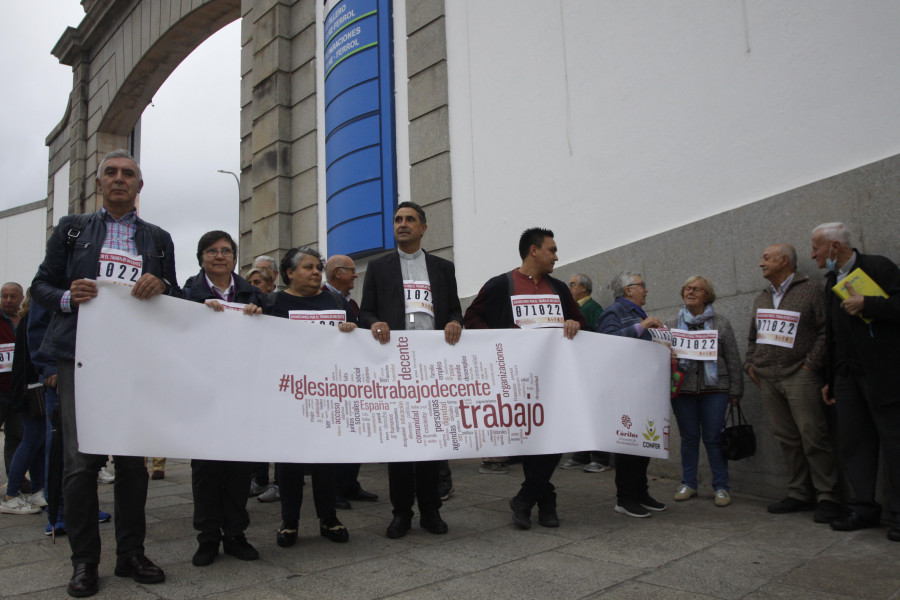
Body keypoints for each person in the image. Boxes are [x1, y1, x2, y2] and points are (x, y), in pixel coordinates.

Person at [32, 149, 180, 597]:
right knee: (80, 464)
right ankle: (85, 561)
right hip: (80, 356)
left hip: (133, 359)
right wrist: (66, 296)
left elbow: (171, 293)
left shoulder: (157, 237)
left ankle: (131, 553)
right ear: (100, 183)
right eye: (111, 173)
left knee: (132, 460)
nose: (119, 179)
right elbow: (41, 285)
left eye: (128, 174)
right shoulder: (72, 229)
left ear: (139, 186)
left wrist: (163, 286)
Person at [464, 227, 586, 529]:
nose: (556, 256)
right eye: (552, 250)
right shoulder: (500, 285)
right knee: (532, 438)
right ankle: (544, 501)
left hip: (555, 377)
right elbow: (472, 318)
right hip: (518, 379)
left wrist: (573, 322)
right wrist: (498, 339)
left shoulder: (558, 289)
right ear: (533, 250)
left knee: (556, 436)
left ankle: (528, 498)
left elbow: (581, 322)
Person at [359, 201, 463, 539]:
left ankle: (432, 511)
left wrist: (454, 323)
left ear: (423, 228)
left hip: (433, 366)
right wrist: (375, 323)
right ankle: (401, 512)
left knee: (431, 440)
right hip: (396, 366)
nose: (402, 224)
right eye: (398, 220)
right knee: (401, 441)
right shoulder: (378, 267)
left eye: (410, 220)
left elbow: (456, 313)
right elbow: (366, 312)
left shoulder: (443, 268)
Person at [811, 222, 900, 540]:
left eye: (817, 248)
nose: (814, 255)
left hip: (883, 373)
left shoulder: (878, 267)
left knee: (894, 441)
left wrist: (869, 304)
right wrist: (831, 379)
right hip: (847, 376)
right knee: (854, 442)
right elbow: (834, 334)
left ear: (835, 247)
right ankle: (863, 507)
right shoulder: (832, 280)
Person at [183, 231, 266, 566]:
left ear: (235, 257)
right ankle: (207, 538)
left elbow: (271, 337)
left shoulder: (253, 293)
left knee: (237, 470)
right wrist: (194, 312)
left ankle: (235, 534)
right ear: (201, 257)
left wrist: (260, 316)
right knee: (205, 470)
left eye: (226, 251)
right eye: (212, 251)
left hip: (241, 392)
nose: (219, 256)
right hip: (202, 393)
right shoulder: (186, 293)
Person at [264, 246, 354, 547]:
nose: (316, 272)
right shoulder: (274, 302)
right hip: (289, 396)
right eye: (308, 267)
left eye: (318, 267)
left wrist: (351, 328)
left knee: (325, 461)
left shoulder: (335, 300)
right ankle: (289, 521)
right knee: (289, 463)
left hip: (327, 394)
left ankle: (328, 518)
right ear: (290, 273)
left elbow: (358, 334)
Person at [745, 244, 840, 522]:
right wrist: (750, 364)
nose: (761, 263)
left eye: (766, 258)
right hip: (767, 377)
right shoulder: (762, 297)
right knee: (786, 438)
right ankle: (799, 492)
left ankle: (828, 495)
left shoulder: (812, 289)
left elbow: (826, 330)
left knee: (813, 435)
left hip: (800, 374)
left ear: (784, 260)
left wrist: (811, 365)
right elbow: (754, 335)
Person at [666, 276, 742, 507]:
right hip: (683, 390)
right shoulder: (671, 323)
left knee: (713, 438)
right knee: (689, 438)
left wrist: (736, 389)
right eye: (687, 288)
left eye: (696, 289)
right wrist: (668, 355)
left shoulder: (721, 323)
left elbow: (733, 358)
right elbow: (660, 357)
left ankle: (721, 487)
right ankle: (689, 483)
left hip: (715, 389)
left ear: (707, 295)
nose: (691, 292)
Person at [596, 272, 668, 518]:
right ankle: (625, 498)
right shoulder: (614, 312)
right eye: (642, 286)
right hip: (625, 390)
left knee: (644, 442)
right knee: (628, 445)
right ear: (628, 290)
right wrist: (642, 327)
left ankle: (640, 492)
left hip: (644, 387)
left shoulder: (639, 313)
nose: (646, 290)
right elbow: (605, 345)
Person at [324, 255, 379, 509]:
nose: (356, 275)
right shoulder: (324, 299)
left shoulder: (351, 303)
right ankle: (333, 490)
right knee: (336, 436)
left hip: (353, 378)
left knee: (355, 430)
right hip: (332, 379)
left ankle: (349, 483)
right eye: (351, 271)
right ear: (337, 272)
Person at [2, 289, 46, 515]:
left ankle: (38, 489)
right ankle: (11, 494)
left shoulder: (27, 319)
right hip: (29, 388)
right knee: (29, 441)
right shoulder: (33, 320)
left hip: (27, 388)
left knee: (36, 442)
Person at [561, 273, 609, 473]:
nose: (570, 288)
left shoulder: (592, 309)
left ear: (584, 288)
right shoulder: (575, 309)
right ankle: (581, 453)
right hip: (577, 369)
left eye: (573, 285)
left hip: (591, 369)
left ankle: (600, 456)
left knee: (594, 413)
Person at [244, 264, 277, 499]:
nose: (253, 287)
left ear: (270, 285)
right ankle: (258, 477)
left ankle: (274, 481)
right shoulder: (245, 309)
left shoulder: (277, 307)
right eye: (250, 283)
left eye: (258, 282)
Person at [0, 282, 25, 489]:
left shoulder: (26, 320)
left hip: (17, 391)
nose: (8, 300)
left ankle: (15, 479)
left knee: (16, 436)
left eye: (12, 296)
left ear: (21, 298)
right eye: (4, 296)